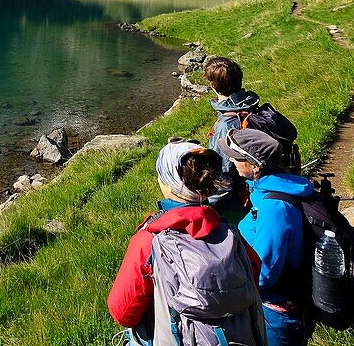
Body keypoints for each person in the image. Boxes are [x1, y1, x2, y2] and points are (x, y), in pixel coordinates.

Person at [107, 139, 264, 345]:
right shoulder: (229, 232)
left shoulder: (149, 240)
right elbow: (254, 271)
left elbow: (122, 313)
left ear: (169, 183)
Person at [217, 128, 315, 346]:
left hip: (276, 313)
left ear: (255, 166)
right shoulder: (277, 187)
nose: (232, 160)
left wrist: (230, 287)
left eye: (237, 157)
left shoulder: (274, 209)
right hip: (281, 303)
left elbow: (265, 273)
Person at [204, 57, 301, 216]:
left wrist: (208, 206)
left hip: (245, 201)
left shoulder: (226, 125)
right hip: (274, 185)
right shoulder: (254, 109)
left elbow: (223, 176)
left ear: (213, 86)